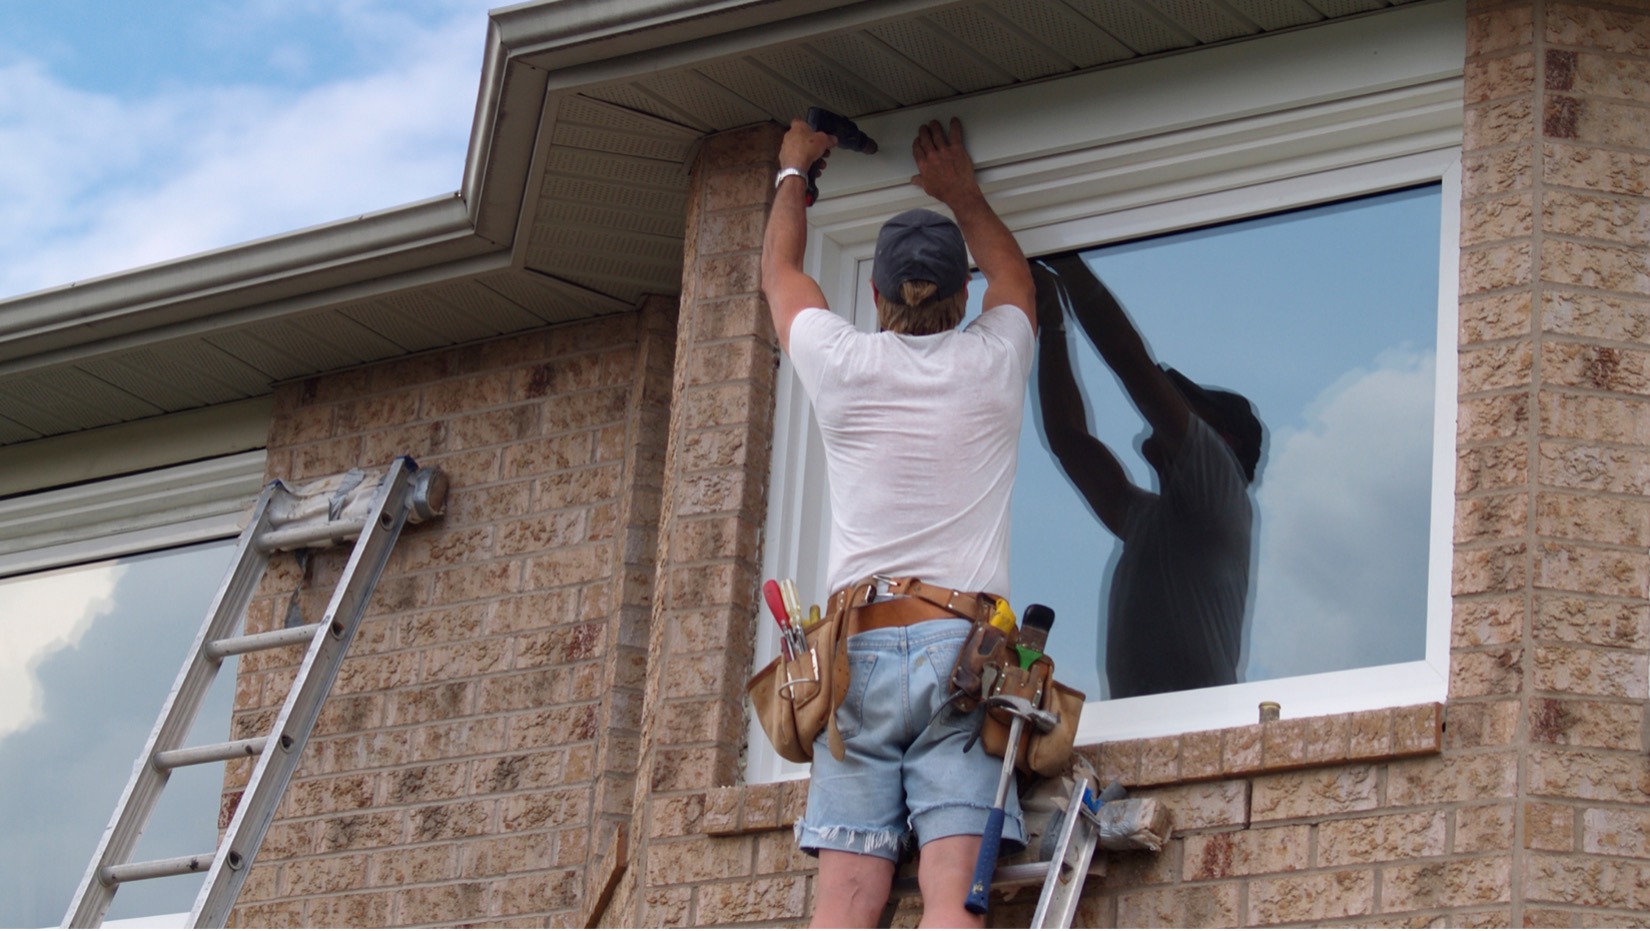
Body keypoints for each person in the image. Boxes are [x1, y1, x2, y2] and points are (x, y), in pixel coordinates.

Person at [760, 116, 1036, 928]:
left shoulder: (843, 363)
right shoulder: (993, 360)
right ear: (961, 298)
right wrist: (962, 193)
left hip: (858, 650)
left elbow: (780, 271)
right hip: (965, 647)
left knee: (844, 908)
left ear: (877, 298)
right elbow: (1015, 278)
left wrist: (792, 172)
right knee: (955, 904)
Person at [1033, 254, 1263, 699]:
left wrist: (1066, 258)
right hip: (1147, 733)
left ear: (1225, 441)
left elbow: (1131, 364)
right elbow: (1068, 438)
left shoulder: (1222, 484)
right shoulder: (1156, 524)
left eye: (1186, 406)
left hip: (1195, 735)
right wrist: (1052, 324)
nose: (1170, 412)